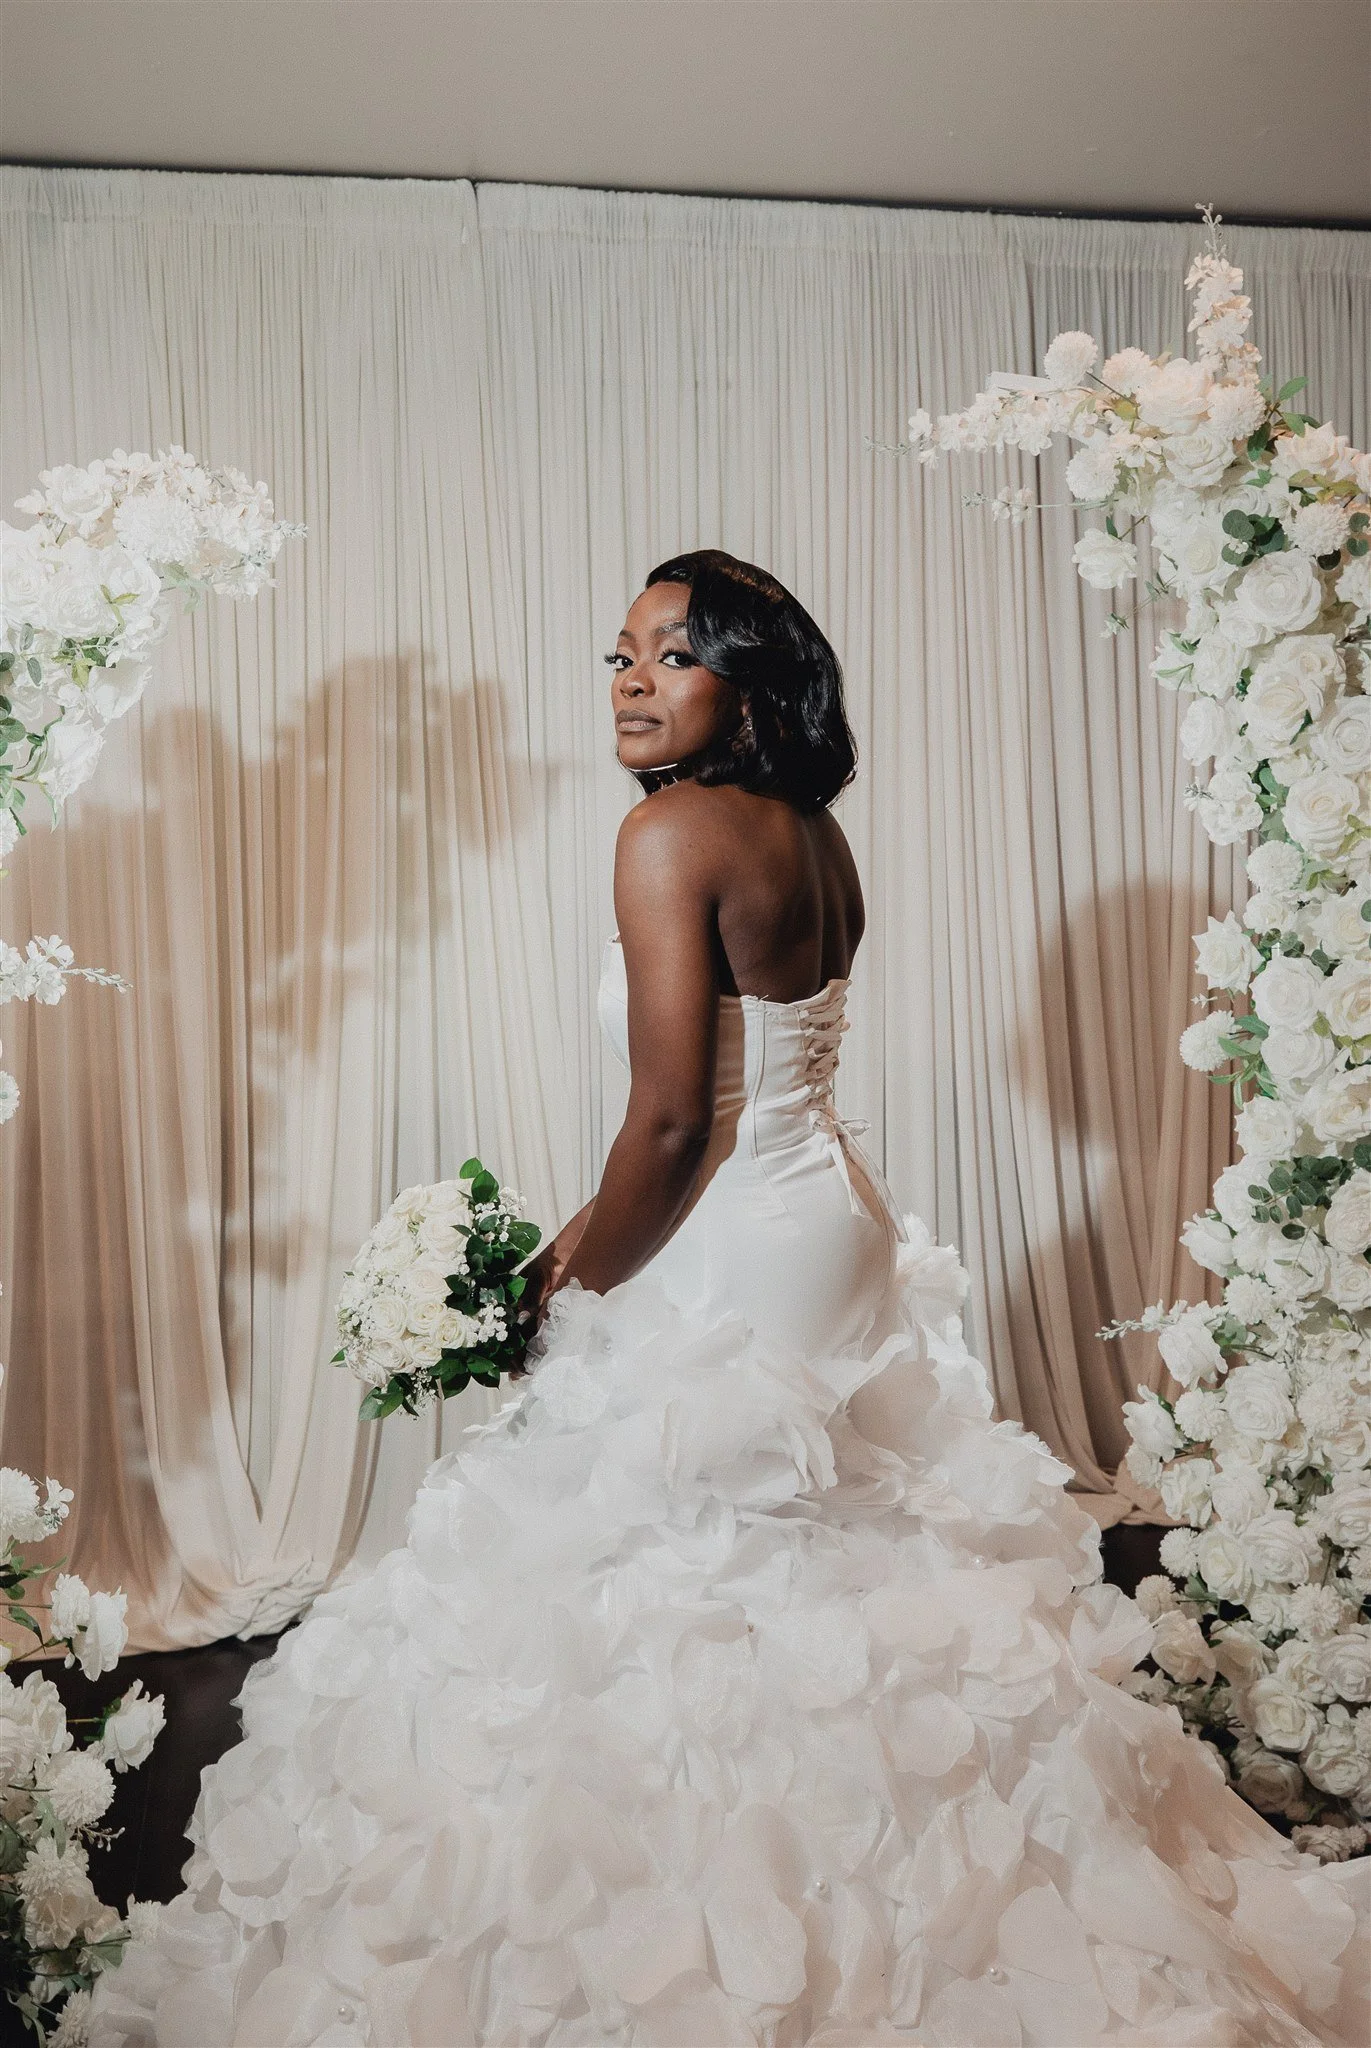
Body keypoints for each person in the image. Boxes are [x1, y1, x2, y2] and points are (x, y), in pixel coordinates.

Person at [95, 552, 1367, 2047]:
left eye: (671, 656)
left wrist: (578, 1286)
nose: (632, 683)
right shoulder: (809, 836)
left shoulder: (668, 836)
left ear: (745, 682)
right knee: (829, 1538)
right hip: (825, 1214)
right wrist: (568, 1240)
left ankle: (728, 1880)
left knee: (674, 1550)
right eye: (619, 655)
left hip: (733, 1218)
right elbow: (741, 1089)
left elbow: (675, 1123)